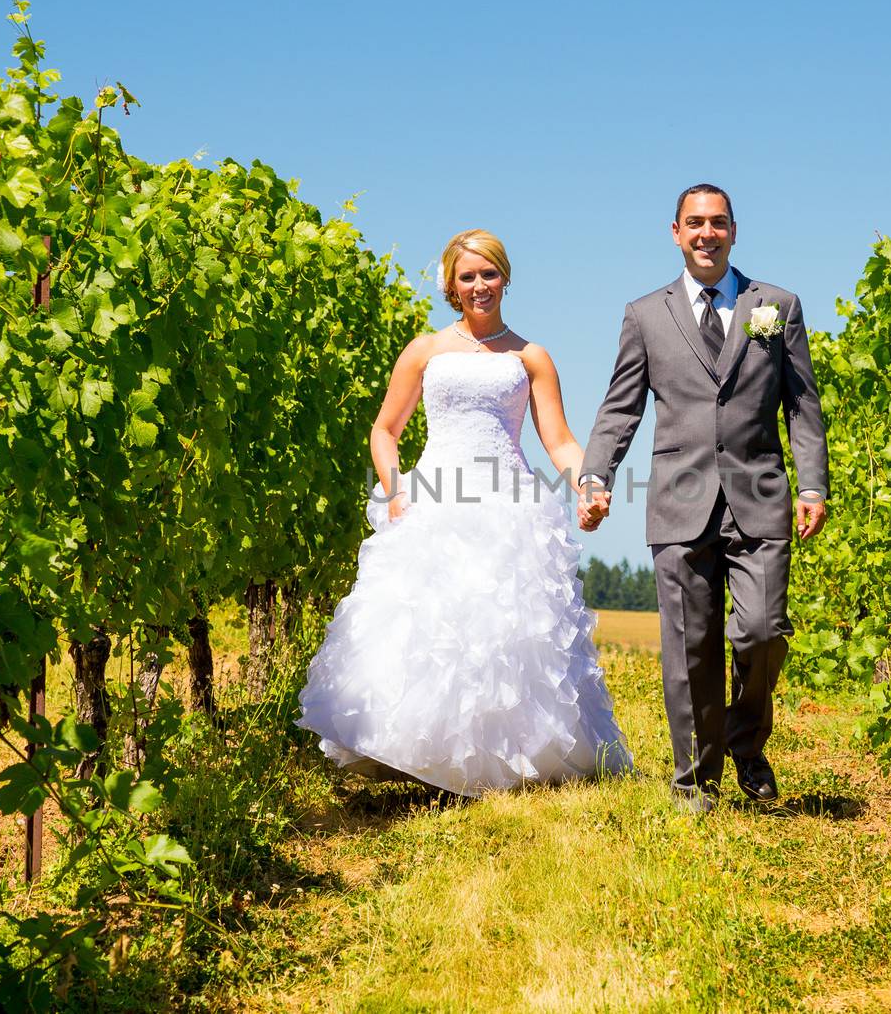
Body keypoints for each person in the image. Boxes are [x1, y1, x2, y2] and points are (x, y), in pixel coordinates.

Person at [296, 229, 632, 796]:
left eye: (489, 274)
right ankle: (425, 752)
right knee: (435, 628)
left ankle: (500, 760)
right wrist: (395, 491)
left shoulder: (530, 357)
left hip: (509, 503)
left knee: (505, 632)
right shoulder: (425, 350)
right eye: (468, 276)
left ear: (504, 277)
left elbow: (559, 441)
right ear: (452, 284)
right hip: (436, 497)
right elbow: (384, 430)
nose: (480, 285)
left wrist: (588, 482)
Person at [578, 184, 829, 814]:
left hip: (761, 495)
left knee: (763, 632)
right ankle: (694, 781)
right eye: (695, 223)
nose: (706, 234)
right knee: (689, 649)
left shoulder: (778, 306)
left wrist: (813, 483)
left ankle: (746, 742)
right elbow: (620, 408)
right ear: (675, 231)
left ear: (734, 231)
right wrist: (595, 476)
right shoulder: (645, 315)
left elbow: (802, 405)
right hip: (679, 501)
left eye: (717, 223)